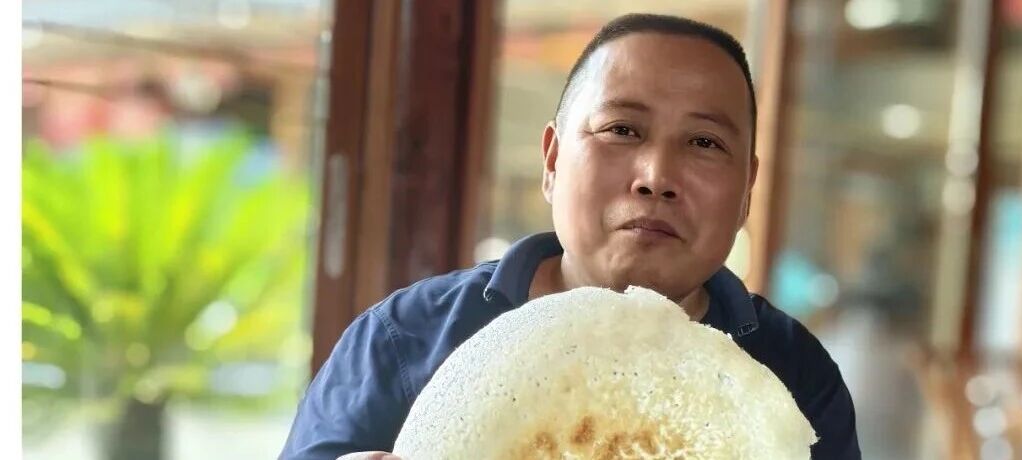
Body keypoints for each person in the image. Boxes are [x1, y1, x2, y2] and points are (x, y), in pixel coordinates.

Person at [280, 13, 861, 460]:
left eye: (705, 142)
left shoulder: (795, 374)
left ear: (747, 189)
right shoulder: (403, 341)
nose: (656, 176)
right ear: (553, 160)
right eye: (622, 129)